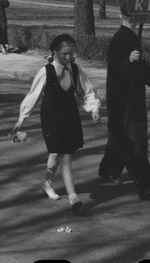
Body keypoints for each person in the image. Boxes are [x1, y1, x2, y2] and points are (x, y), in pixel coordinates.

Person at [10, 34, 100, 212]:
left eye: (72, 53)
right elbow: (33, 95)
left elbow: (86, 90)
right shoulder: (46, 71)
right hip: (51, 117)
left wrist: (93, 108)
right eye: (65, 53)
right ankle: (73, 198)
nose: (69, 57)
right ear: (55, 52)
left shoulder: (75, 69)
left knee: (55, 156)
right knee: (64, 155)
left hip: (69, 115)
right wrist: (22, 118)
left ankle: (47, 183)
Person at [98, 2, 150, 199]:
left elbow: (140, 66)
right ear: (126, 16)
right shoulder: (120, 38)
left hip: (133, 97)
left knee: (122, 139)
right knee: (136, 142)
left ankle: (110, 168)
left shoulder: (132, 37)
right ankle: (144, 183)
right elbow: (115, 67)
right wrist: (128, 60)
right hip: (122, 99)